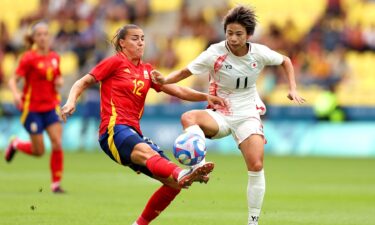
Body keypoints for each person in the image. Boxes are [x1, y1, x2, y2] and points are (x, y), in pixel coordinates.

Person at [151, 6, 306, 225]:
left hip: (248, 113)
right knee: (189, 118)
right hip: (221, 111)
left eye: (238, 34)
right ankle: (198, 166)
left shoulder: (259, 52)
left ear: (249, 35)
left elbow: (286, 61)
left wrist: (293, 88)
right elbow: (186, 71)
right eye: (229, 33)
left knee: (256, 165)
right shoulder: (215, 52)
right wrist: (165, 80)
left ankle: (253, 221)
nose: (232, 38)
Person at [60, 24, 225, 225]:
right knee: (151, 155)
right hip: (113, 130)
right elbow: (82, 83)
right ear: (122, 43)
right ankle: (184, 173)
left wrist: (206, 96)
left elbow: (179, 91)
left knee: (173, 185)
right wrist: (70, 101)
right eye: (135, 38)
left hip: (133, 133)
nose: (140, 42)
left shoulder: (148, 71)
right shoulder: (113, 63)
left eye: (143, 38)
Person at [5, 22, 65, 193]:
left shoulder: (55, 57)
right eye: (39, 34)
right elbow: (12, 80)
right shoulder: (28, 58)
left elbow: (57, 77)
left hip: (51, 106)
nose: (43, 37)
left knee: (57, 142)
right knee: (39, 151)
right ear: (33, 38)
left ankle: (56, 184)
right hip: (32, 109)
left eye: (46, 34)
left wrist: (59, 81)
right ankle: (16, 143)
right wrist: (16, 94)